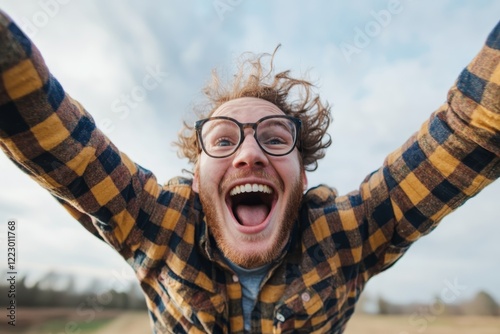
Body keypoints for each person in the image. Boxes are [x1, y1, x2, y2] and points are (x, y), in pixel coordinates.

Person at [0, 8, 499, 333]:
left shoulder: (353, 231)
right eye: (223, 141)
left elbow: (466, 136)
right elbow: (58, 143)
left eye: (276, 139)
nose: (249, 155)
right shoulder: (154, 221)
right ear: (197, 179)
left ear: (302, 177)